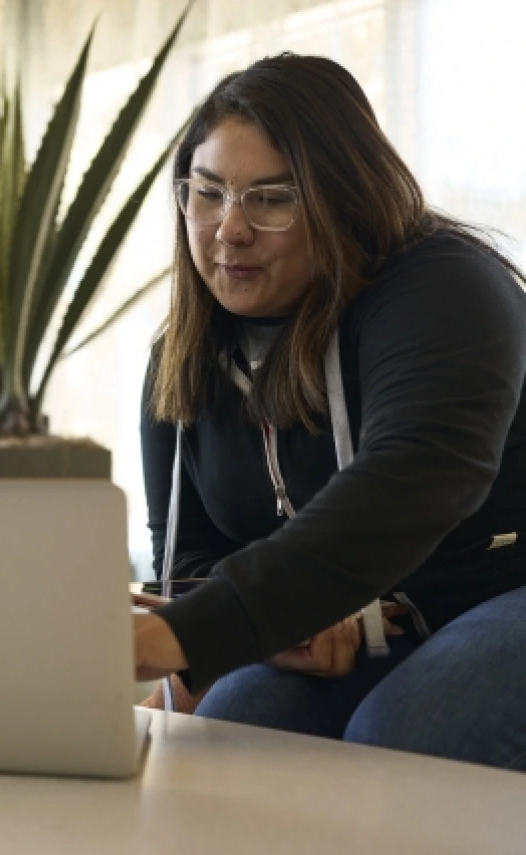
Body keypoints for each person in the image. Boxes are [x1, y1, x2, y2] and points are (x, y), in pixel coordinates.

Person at [132, 53, 526, 771]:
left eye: (272, 198)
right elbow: (190, 561)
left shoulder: (443, 286)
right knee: (239, 723)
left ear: (342, 196)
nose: (229, 230)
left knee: (409, 728)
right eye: (207, 192)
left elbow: (411, 480)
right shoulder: (182, 355)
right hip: (384, 626)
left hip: (505, 587)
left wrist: (185, 634)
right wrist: (281, 621)